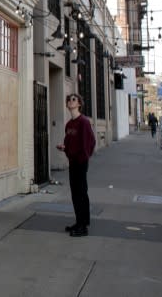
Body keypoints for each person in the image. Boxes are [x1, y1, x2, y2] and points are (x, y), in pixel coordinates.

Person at [56, 93, 96, 237]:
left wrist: (83, 158)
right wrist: (64, 148)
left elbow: (90, 142)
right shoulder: (69, 124)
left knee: (81, 193)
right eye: (68, 99)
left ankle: (83, 226)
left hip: (80, 162)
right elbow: (69, 142)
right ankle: (78, 222)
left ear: (79, 103)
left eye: (73, 99)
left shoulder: (83, 122)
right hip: (72, 162)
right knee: (75, 194)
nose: (70, 101)